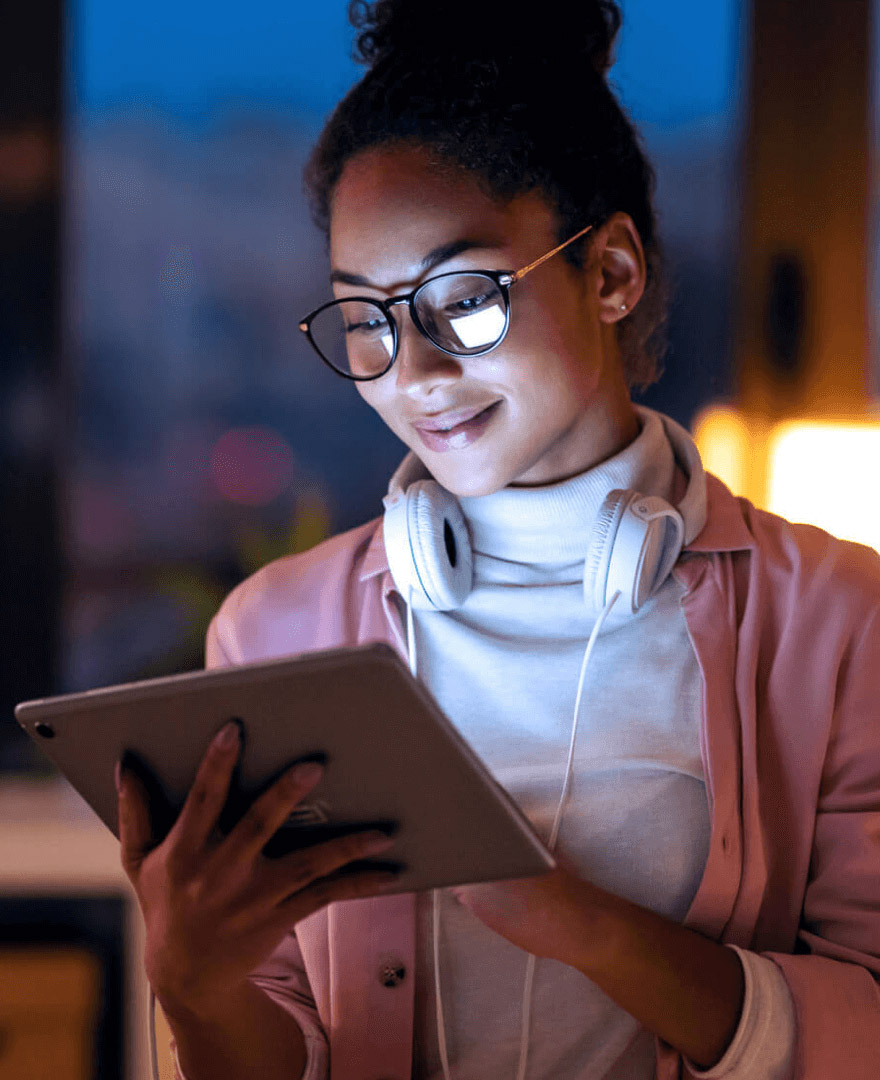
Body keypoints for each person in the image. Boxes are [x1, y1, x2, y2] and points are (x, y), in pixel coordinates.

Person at [113, 2, 880, 1078]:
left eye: (462, 299)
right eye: (367, 320)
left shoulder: (838, 619)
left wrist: (576, 922)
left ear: (610, 272)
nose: (411, 371)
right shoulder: (279, 627)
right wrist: (194, 986)